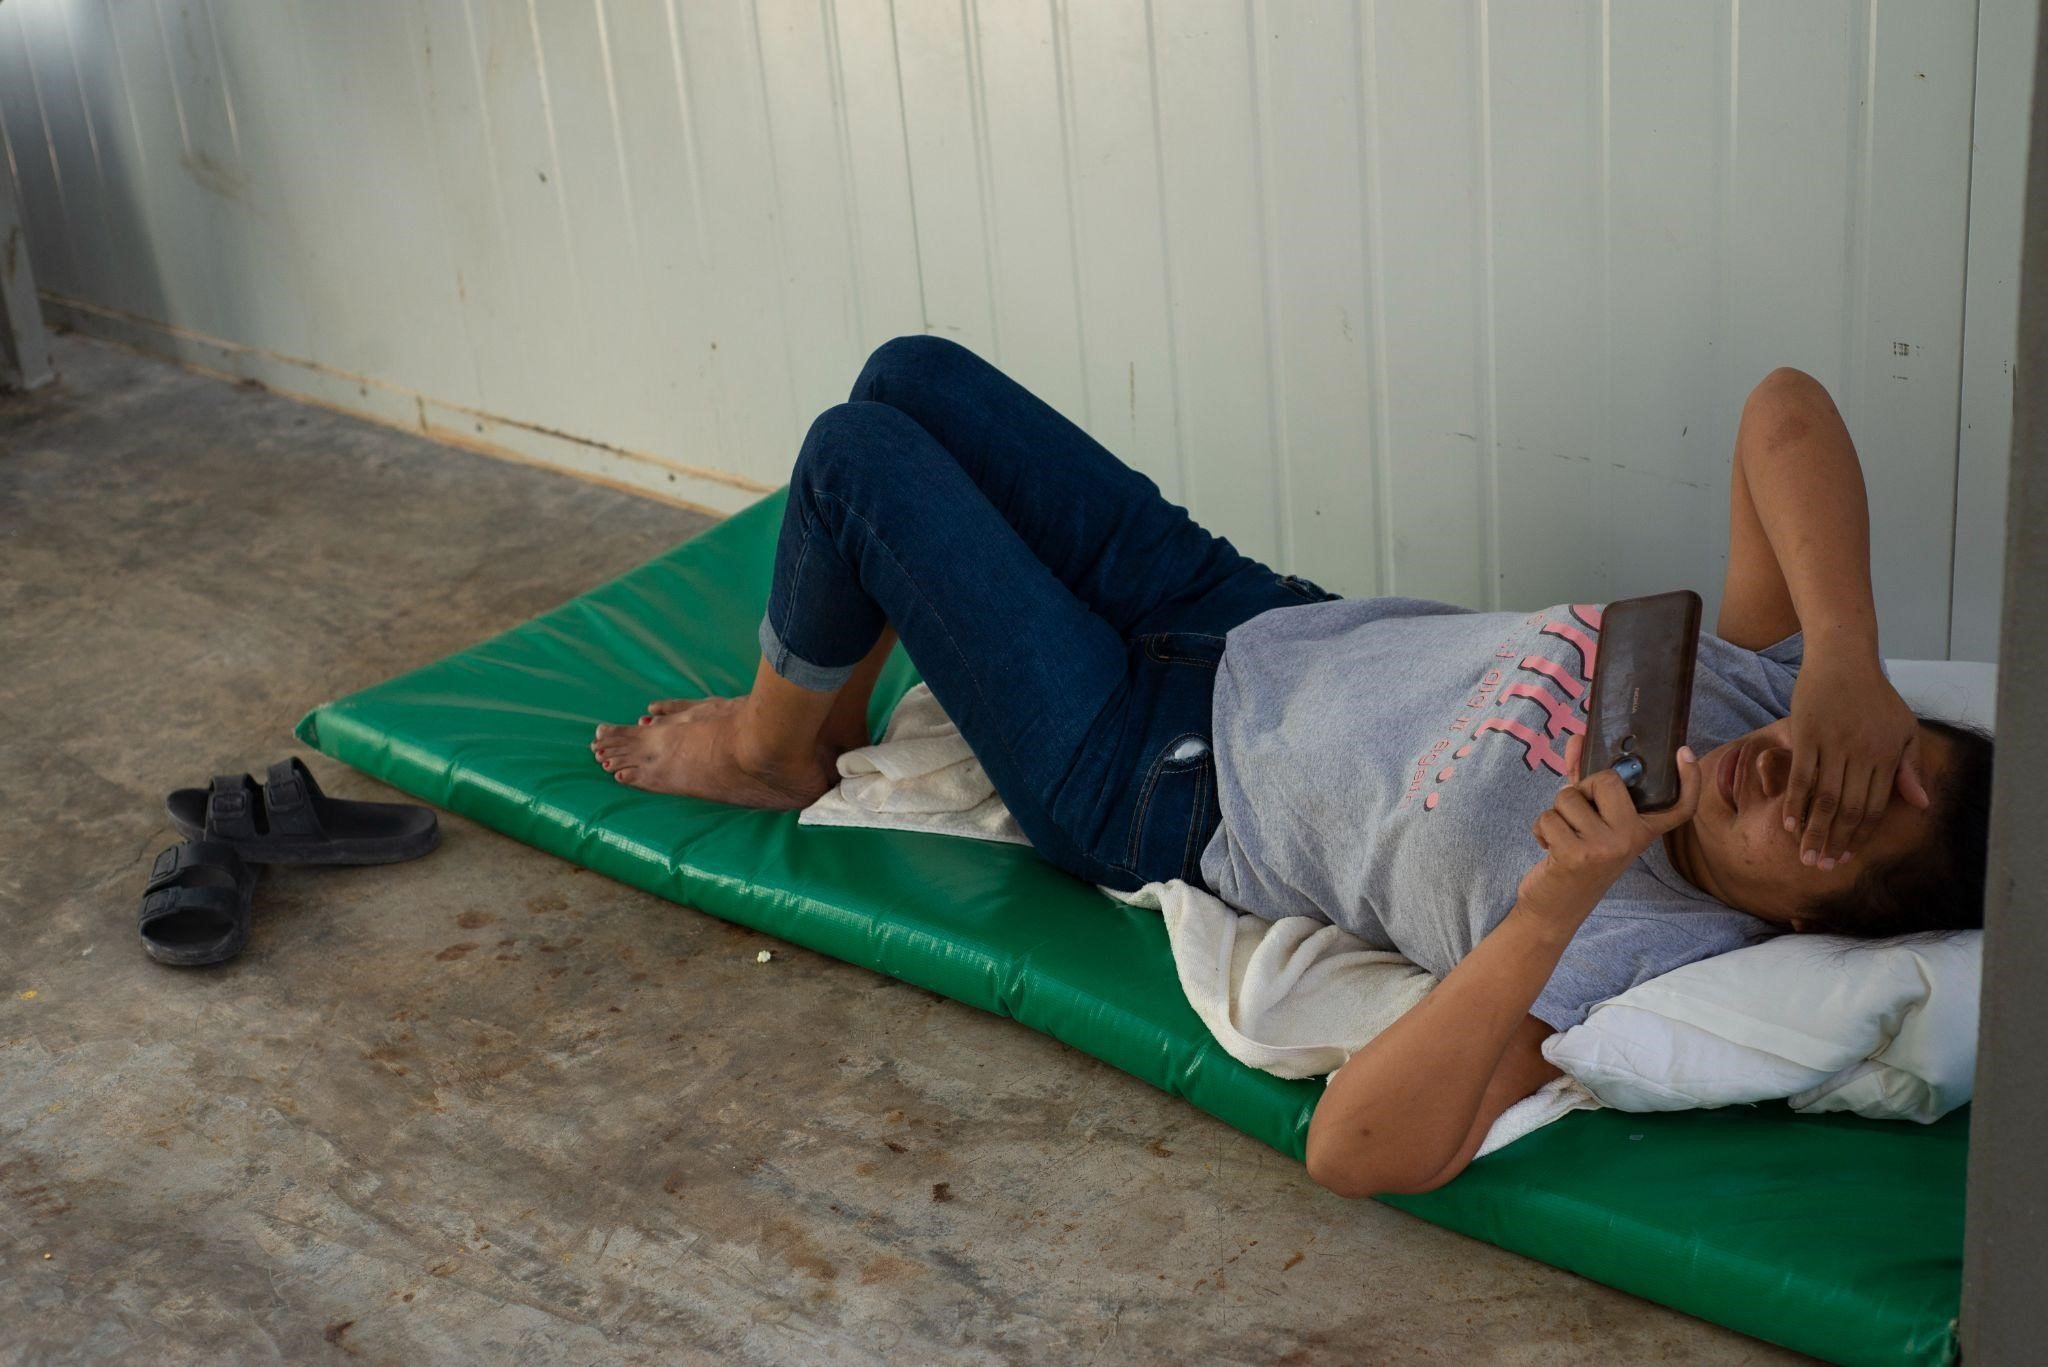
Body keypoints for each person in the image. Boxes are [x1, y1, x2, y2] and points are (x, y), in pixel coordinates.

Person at [589, 336, 1994, 1198]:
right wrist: (1845, 665)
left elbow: (1357, 1153)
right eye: (1850, 760)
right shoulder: (1760, 687)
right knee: (911, 377)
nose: (1792, 776)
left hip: (1148, 773)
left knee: (855, 458)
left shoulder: (1627, 953)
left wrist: (1549, 907)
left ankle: (777, 749)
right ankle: (817, 703)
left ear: (1807, 925)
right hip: (1250, 613)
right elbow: (1781, 407)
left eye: (1832, 826)